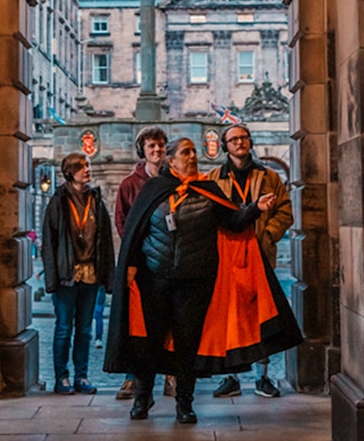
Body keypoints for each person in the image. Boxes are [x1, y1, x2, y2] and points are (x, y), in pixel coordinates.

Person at [104, 138, 302, 424]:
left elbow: (234, 221)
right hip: (154, 279)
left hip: (195, 280)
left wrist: (256, 208)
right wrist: (131, 267)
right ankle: (142, 398)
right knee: (148, 341)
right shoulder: (154, 191)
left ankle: (185, 403)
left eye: (194, 152)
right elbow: (136, 231)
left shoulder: (209, 191)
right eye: (186, 153)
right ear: (171, 161)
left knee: (188, 344)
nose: (193, 156)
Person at [207, 124, 294, 399]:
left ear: (250, 141)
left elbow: (285, 211)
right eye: (233, 139)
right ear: (225, 146)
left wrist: (268, 236)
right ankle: (231, 377)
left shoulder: (269, 176)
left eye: (244, 137)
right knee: (230, 317)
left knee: (262, 316)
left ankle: (262, 377)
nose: (240, 143)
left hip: (259, 254)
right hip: (227, 257)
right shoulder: (213, 178)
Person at [41, 152, 115, 395]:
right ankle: (61, 377)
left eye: (88, 166)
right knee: (64, 328)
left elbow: (106, 241)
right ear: (70, 173)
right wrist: (51, 278)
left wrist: (108, 276)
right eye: (82, 167)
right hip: (66, 276)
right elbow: (49, 242)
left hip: (91, 274)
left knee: (84, 330)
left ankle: (81, 376)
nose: (87, 170)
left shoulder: (96, 199)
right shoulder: (58, 201)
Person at [112, 126, 168, 400]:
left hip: (168, 264)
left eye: (160, 145)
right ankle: (132, 377)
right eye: (151, 146)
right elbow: (122, 222)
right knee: (136, 321)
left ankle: (172, 377)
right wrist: (138, 248)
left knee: (169, 321)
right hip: (139, 263)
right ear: (142, 151)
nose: (157, 150)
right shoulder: (129, 184)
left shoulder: (174, 180)